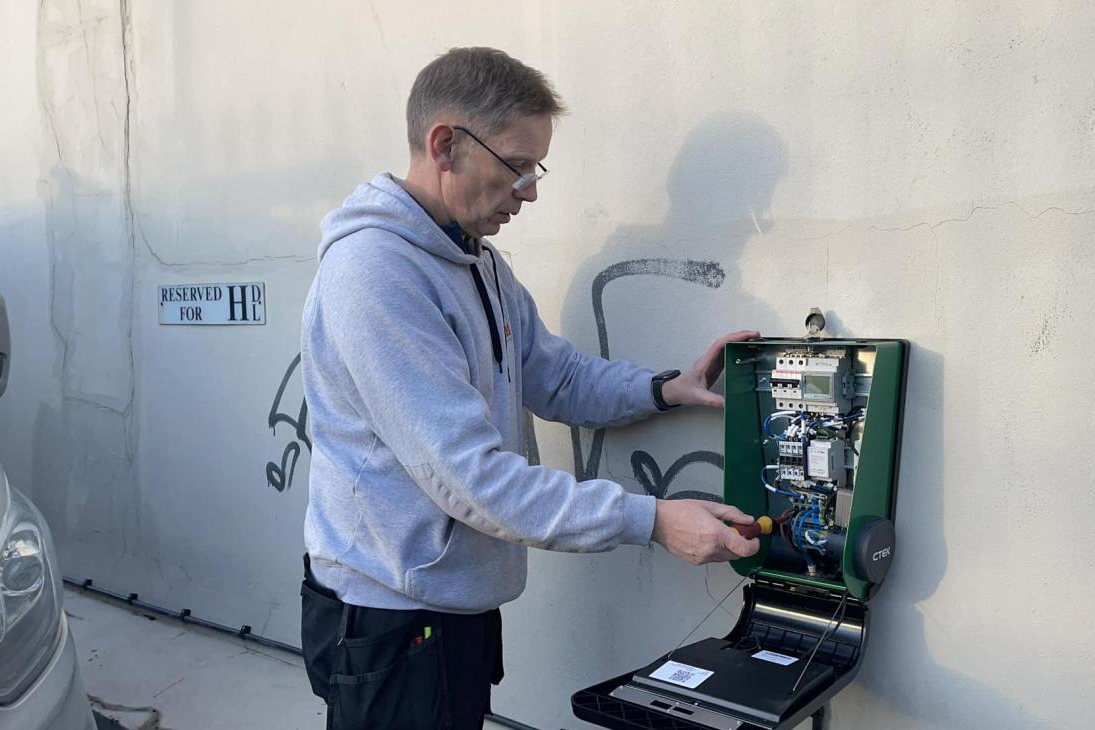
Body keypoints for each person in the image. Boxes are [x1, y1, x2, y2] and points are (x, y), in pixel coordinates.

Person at [298, 46, 761, 729]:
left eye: (534, 168)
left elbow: (555, 375)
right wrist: (653, 519)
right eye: (517, 166)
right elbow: (472, 478)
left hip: (451, 603)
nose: (531, 190)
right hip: (391, 614)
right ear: (446, 144)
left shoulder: (475, 260)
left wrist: (666, 389)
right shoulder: (376, 274)